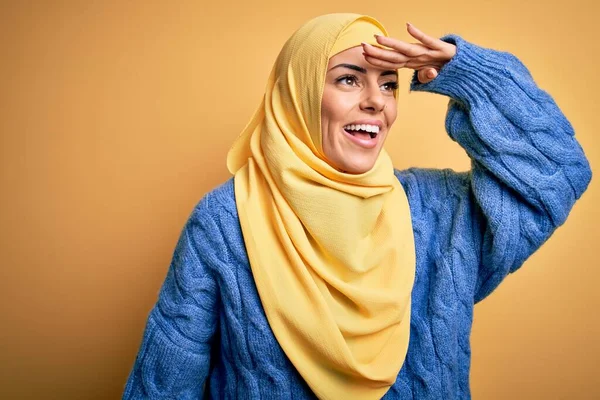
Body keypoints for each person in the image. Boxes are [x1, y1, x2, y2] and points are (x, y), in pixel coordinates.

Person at [122, 13, 592, 400]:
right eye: (349, 79)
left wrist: (466, 72)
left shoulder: (437, 213)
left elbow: (559, 173)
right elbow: (165, 384)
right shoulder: (226, 222)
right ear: (300, 94)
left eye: (389, 85)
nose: (376, 102)